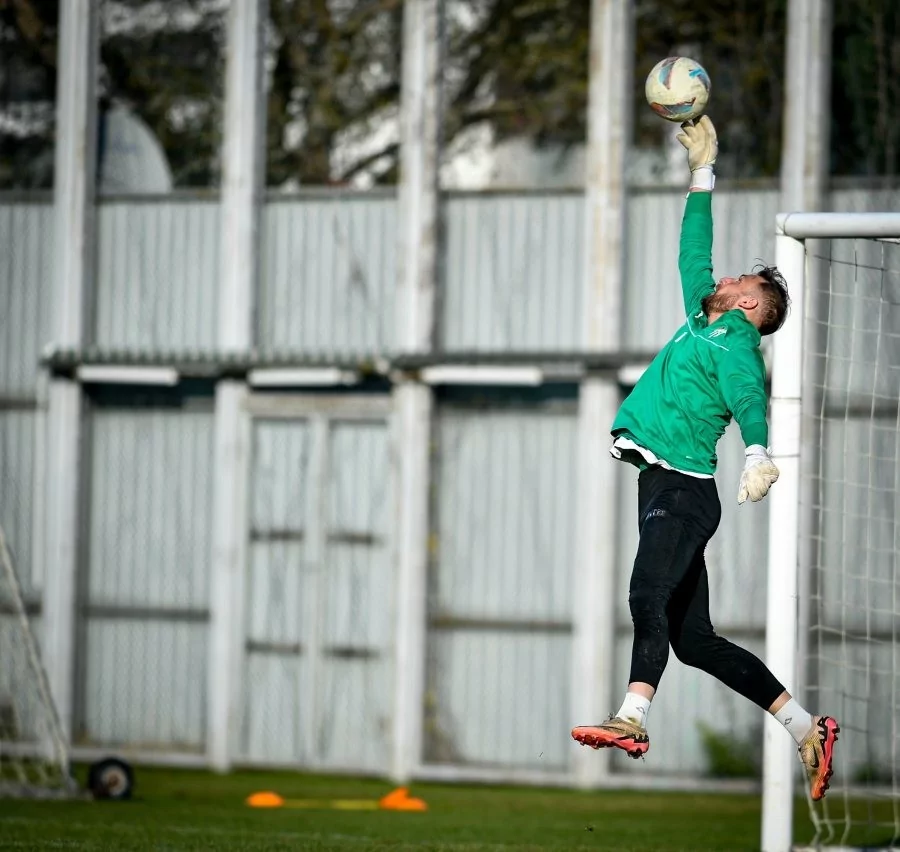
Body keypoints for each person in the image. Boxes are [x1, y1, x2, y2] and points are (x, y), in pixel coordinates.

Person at [571, 116, 839, 801]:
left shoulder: (738, 345)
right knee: (694, 641)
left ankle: (632, 718)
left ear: (749, 301)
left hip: (685, 492)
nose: (722, 275)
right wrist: (701, 173)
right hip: (666, 484)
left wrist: (758, 450)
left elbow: (751, 396)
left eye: (738, 277)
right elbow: (694, 248)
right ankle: (806, 727)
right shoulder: (703, 317)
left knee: (645, 594)